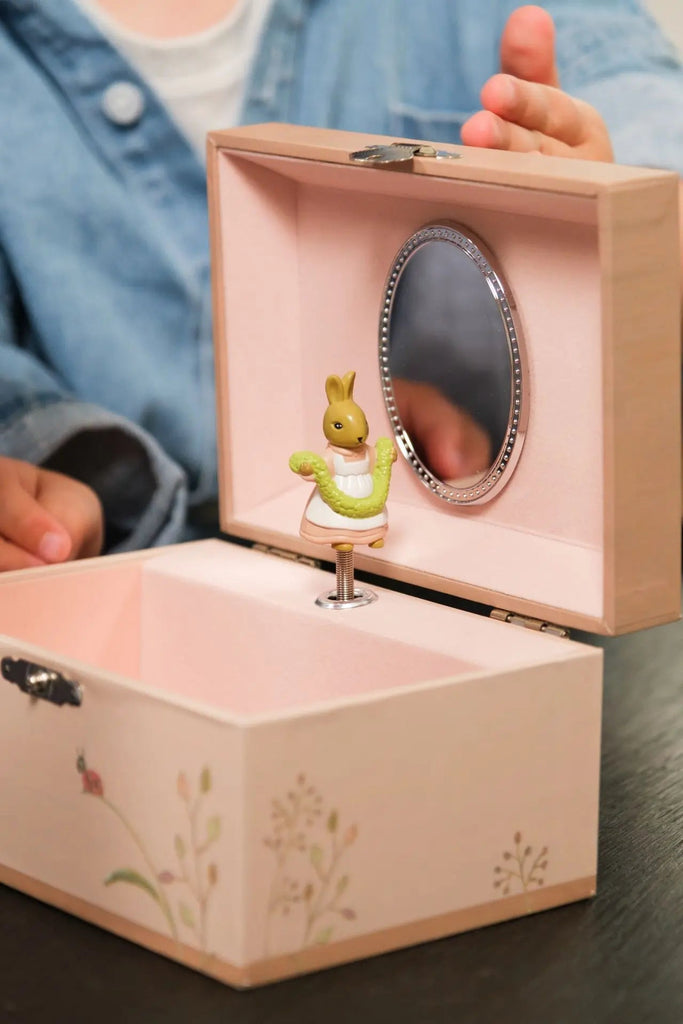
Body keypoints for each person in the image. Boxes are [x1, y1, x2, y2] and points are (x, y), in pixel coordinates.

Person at [0, 0, 681, 572]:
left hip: (483, 571)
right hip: (102, 586)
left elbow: (646, 114)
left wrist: (638, 225)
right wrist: (40, 453)